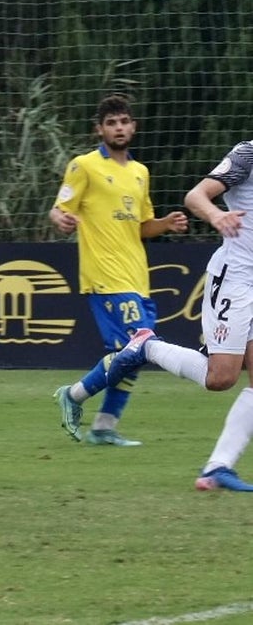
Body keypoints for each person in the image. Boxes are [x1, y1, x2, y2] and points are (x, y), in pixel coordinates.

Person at [49, 94, 209, 446]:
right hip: (104, 276)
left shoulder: (140, 173)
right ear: (100, 129)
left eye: (124, 122)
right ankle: (73, 396)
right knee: (139, 347)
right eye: (111, 123)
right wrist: (60, 218)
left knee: (134, 356)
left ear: (133, 127)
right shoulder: (84, 165)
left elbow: (141, 227)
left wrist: (165, 224)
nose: (118, 128)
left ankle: (103, 427)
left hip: (137, 278)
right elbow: (59, 208)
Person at [176, 142, 253, 491]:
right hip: (236, 277)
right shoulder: (247, 155)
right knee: (221, 378)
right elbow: (195, 196)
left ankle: (218, 467)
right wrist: (216, 215)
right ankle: (146, 347)